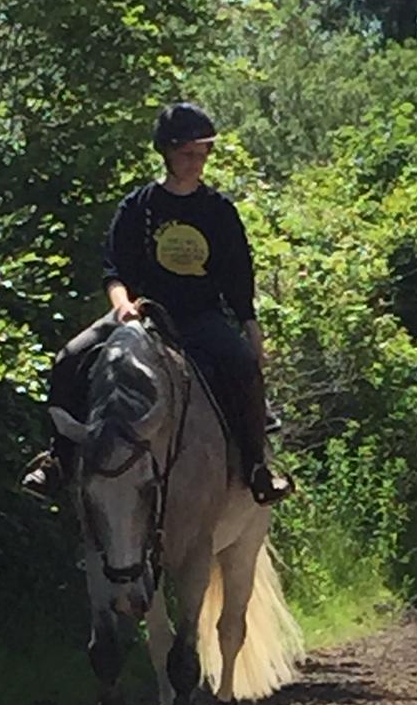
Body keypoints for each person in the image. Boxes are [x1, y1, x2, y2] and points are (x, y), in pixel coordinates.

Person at [22, 100, 292, 505]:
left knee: (240, 364)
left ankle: (256, 465)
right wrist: (123, 306)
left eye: (203, 154)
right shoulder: (138, 207)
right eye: (188, 154)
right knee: (68, 358)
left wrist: (252, 331)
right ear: (167, 152)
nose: (197, 162)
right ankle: (58, 460)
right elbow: (114, 269)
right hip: (142, 315)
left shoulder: (218, 211)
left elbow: (238, 278)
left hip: (200, 317)